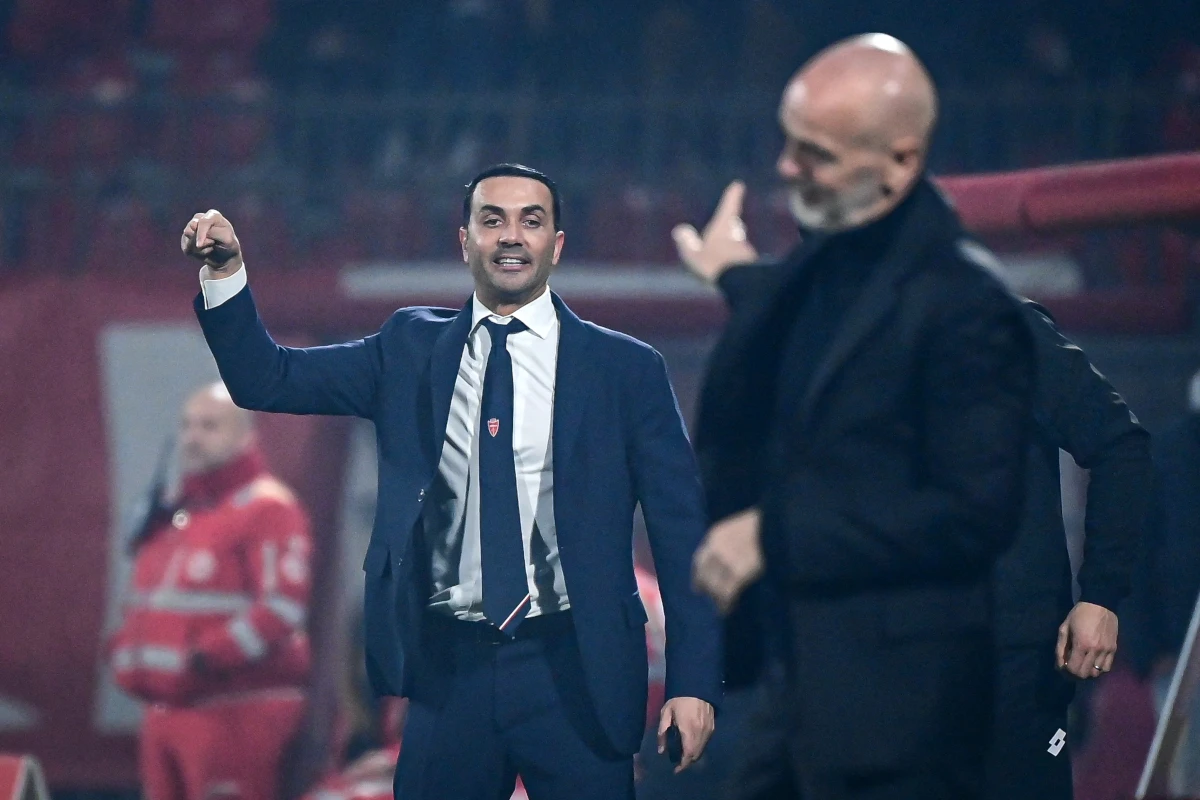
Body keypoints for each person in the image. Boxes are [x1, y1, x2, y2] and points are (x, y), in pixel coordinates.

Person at [180, 163, 720, 800]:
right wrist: (226, 276)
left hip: (579, 668)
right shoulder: (408, 348)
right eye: (493, 220)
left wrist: (693, 682)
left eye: (531, 221)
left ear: (556, 245)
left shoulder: (626, 369)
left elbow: (682, 535)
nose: (511, 235)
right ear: (465, 242)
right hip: (449, 670)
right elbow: (265, 379)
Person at [682, 34, 1036, 800]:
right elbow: (798, 322)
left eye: (816, 154)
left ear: (901, 163)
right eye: (789, 142)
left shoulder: (967, 305)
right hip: (796, 688)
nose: (786, 168)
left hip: (900, 713)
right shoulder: (825, 265)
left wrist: (774, 537)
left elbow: (973, 512)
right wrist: (732, 273)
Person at [106, 382, 313, 800]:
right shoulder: (181, 512)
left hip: (235, 710)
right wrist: (125, 650)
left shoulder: (267, 508)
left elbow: (281, 608)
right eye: (187, 425)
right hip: (165, 709)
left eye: (209, 426)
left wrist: (208, 657)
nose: (193, 437)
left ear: (245, 437)